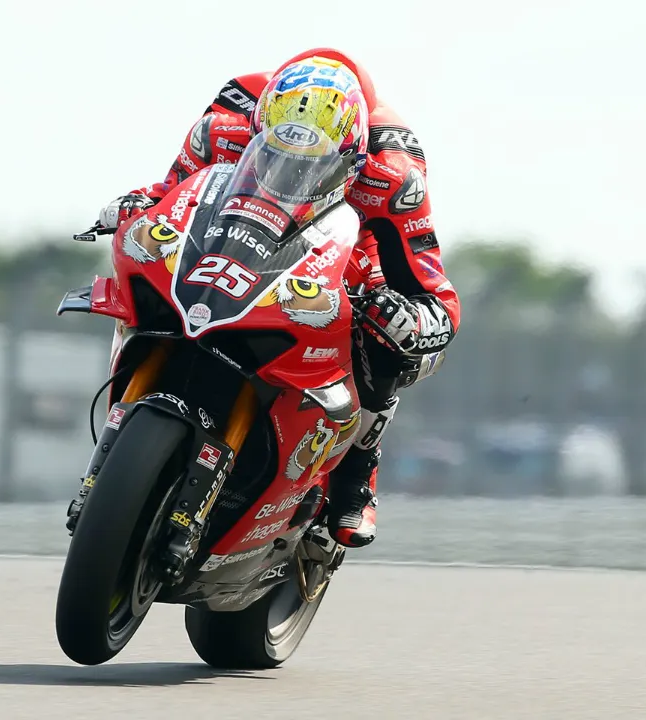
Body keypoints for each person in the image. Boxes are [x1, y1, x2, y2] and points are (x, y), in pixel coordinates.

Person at [97, 48, 462, 548]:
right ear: (256, 130)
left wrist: (413, 318)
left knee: (385, 335)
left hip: (351, 249)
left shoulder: (393, 174)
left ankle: (359, 470)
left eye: (309, 164)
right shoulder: (224, 125)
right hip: (237, 226)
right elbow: (174, 192)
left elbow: (432, 290)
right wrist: (138, 204)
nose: (292, 173)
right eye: (277, 155)